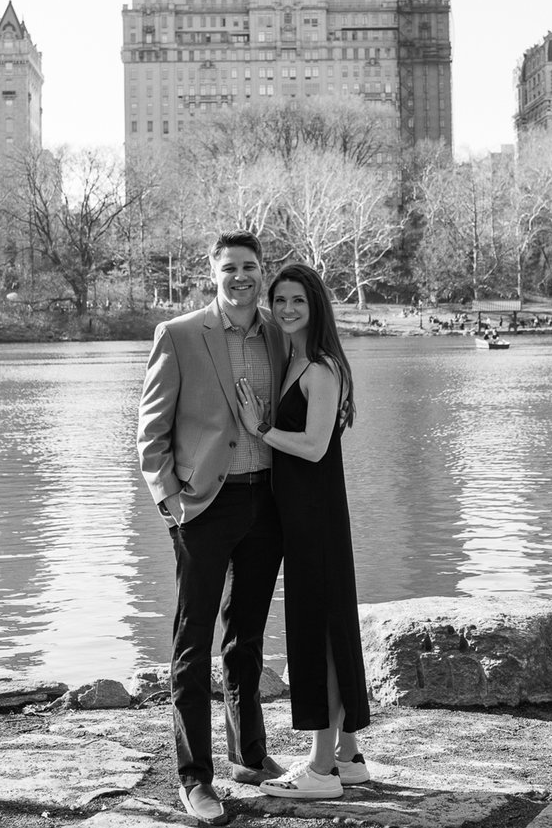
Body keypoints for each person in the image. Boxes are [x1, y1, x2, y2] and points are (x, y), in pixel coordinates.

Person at [135, 231, 289, 826]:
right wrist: (169, 500)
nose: (241, 277)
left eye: (250, 267)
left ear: (261, 271)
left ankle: (249, 755)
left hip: (265, 503)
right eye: (230, 267)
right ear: (213, 272)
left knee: (246, 635)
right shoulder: (178, 335)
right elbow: (151, 430)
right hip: (202, 506)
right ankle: (194, 777)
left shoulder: (280, 335)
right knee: (192, 641)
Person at [252, 263, 376, 799]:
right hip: (301, 518)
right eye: (278, 300)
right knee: (329, 629)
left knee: (321, 635)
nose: (286, 309)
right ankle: (349, 758)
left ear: (316, 305)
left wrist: (260, 429)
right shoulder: (294, 360)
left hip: (319, 520)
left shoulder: (321, 368)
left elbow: (315, 446)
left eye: (297, 300)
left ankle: (320, 771)